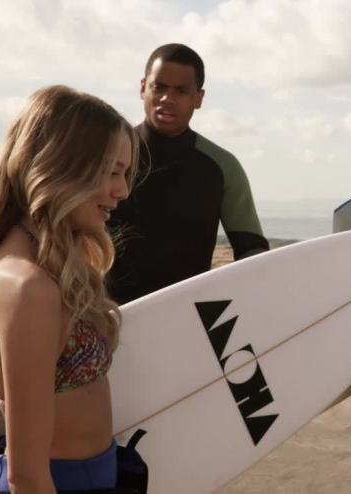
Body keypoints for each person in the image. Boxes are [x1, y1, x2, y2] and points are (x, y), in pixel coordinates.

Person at [0, 86, 139, 492]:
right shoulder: (25, 287)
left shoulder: (52, 266)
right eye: (111, 172)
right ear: (59, 168)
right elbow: (27, 475)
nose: (122, 190)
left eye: (124, 174)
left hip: (98, 476)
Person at [108, 43, 268, 304]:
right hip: (108, 313)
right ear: (143, 88)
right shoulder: (106, 157)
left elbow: (253, 251)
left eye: (181, 91)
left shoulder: (222, 167)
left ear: (199, 98)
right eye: (159, 87)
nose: (167, 98)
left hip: (190, 316)